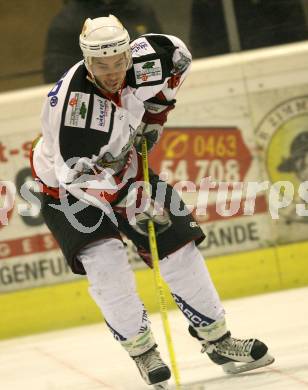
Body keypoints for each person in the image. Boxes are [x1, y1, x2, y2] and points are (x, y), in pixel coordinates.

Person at [31, 15, 274, 389]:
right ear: (86, 61)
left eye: (118, 62)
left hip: (127, 169)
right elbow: (75, 177)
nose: (112, 73)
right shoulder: (74, 110)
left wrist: (157, 116)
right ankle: (142, 350)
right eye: (101, 65)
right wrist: (128, 199)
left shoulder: (150, 58)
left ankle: (219, 342)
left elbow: (179, 59)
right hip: (67, 191)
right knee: (106, 263)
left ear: (129, 54)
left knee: (180, 247)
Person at [43, 0, 163, 83]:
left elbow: (160, 53)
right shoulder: (68, 19)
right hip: (92, 95)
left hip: (140, 91)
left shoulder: (142, 11)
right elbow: (55, 72)